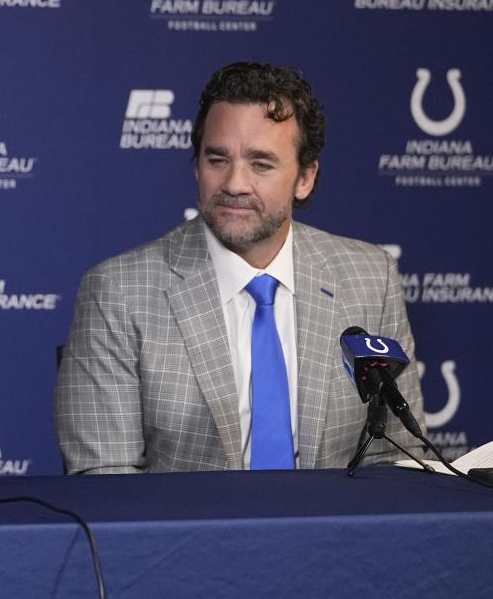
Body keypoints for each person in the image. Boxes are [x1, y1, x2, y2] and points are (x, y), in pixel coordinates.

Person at [55, 62, 425, 473]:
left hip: (338, 536)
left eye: (261, 164)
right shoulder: (118, 291)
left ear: (305, 177)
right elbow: (106, 477)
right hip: (184, 538)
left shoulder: (371, 278)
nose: (234, 183)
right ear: (196, 165)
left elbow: (396, 458)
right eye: (217, 159)